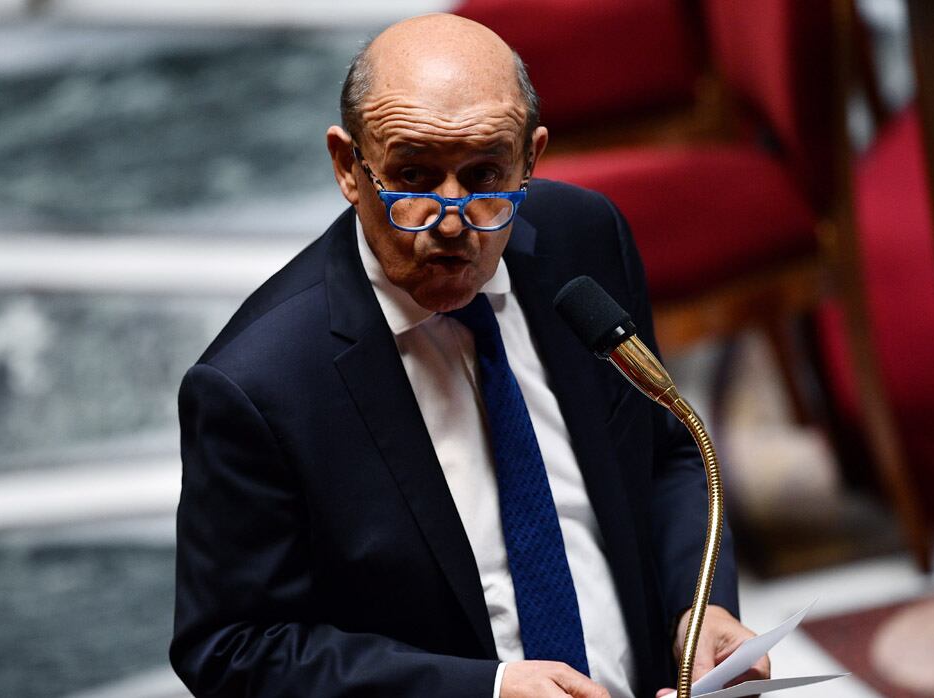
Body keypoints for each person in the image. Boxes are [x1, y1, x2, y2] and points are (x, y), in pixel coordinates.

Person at [171, 13, 769, 698]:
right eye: (415, 176)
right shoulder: (258, 384)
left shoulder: (585, 240)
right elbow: (235, 647)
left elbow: (666, 451)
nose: (452, 223)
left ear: (530, 158)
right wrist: (484, 691)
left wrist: (699, 608)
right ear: (347, 165)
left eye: (485, 174)